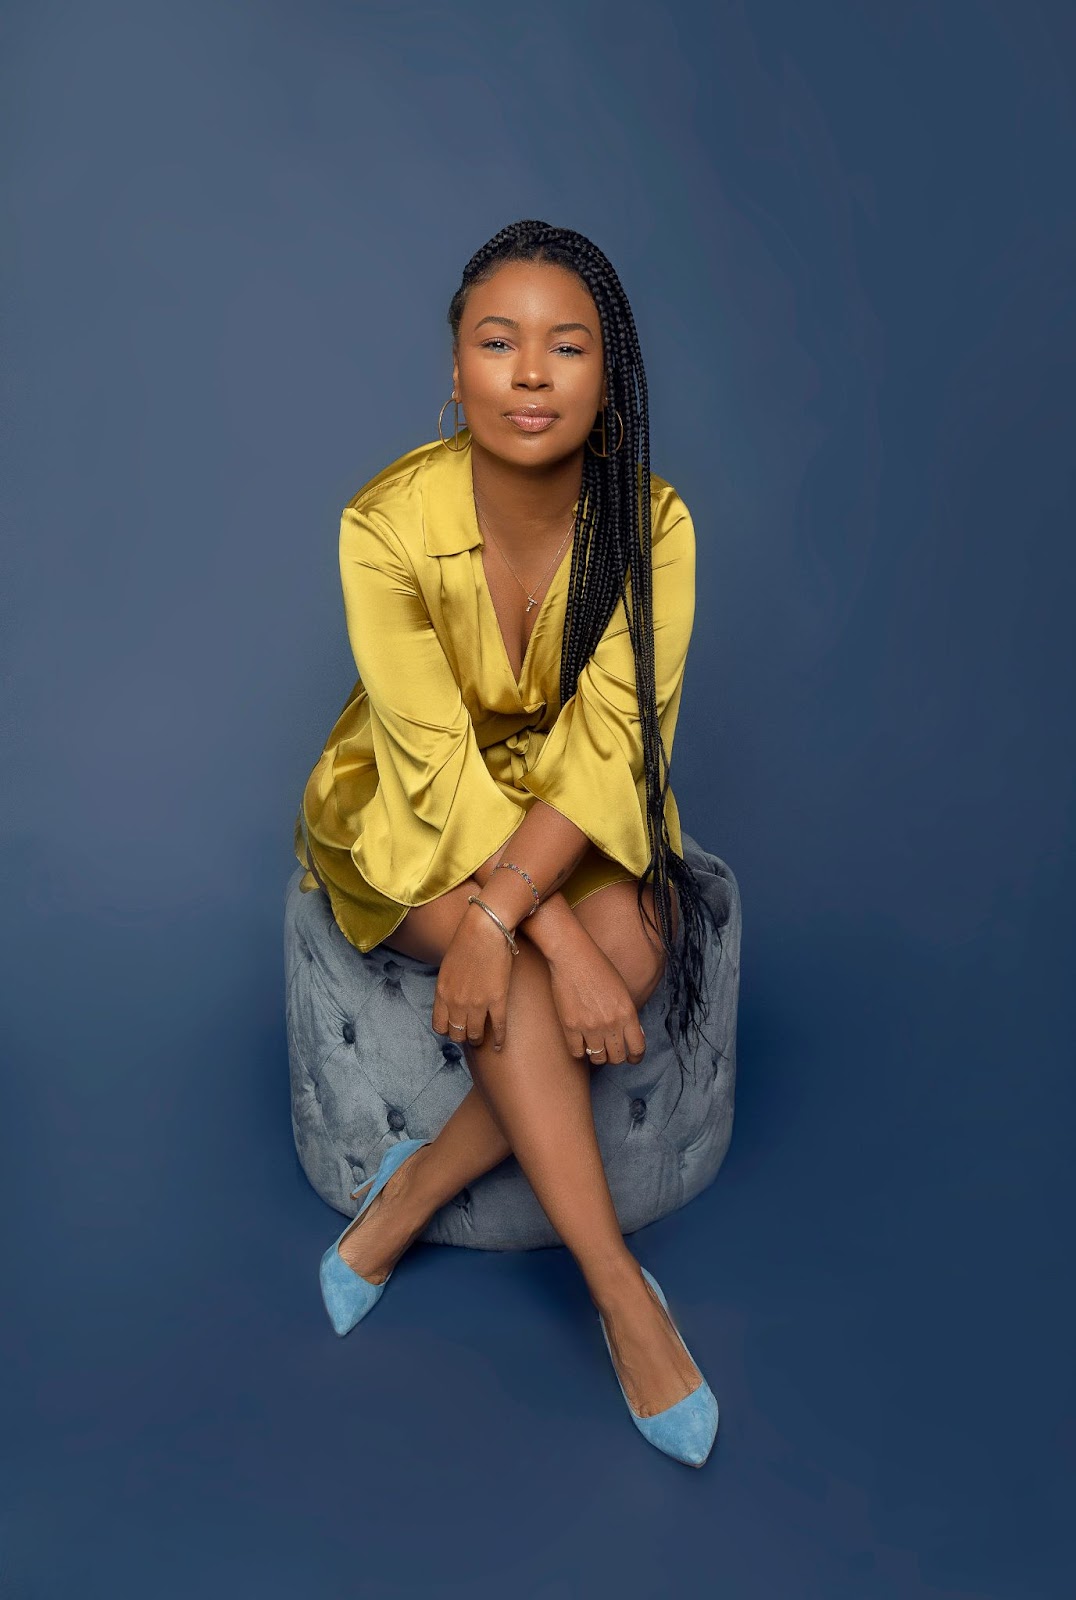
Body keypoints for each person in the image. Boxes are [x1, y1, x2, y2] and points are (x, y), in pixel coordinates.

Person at [293, 220, 721, 1467]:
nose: (529, 373)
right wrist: (525, 927)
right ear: (455, 368)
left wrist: (512, 920)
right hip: (409, 816)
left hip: (575, 812)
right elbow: (430, 763)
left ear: (608, 372)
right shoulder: (380, 523)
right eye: (498, 341)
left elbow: (607, 746)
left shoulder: (654, 523)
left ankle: (416, 1190)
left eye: (564, 345)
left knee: (631, 938)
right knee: (569, 973)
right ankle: (621, 1293)